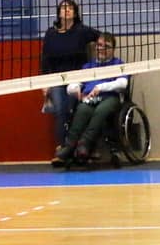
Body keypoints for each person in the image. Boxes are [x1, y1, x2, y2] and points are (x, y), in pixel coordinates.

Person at [52, 32, 128, 166]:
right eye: (99, 45)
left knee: (101, 110)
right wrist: (76, 89)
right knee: (82, 109)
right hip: (90, 99)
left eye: (106, 46)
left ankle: (84, 143)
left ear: (113, 49)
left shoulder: (118, 64)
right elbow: (71, 86)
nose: (101, 48)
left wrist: (100, 87)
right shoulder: (88, 66)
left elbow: (123, 83)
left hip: (109, 98)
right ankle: (69, 147)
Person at [39, 0, 100, 147]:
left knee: (73, 110)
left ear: (75, 13)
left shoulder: (82, 31)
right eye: (64, 7)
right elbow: (45, 60)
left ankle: (78, 146)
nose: (67, 10)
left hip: (77, 79)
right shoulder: (51, 33)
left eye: (71, 8)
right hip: (56, 79)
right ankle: (62, 148)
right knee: (60, 111)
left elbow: (102, 37)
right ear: (59, 12)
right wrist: (44, 84)